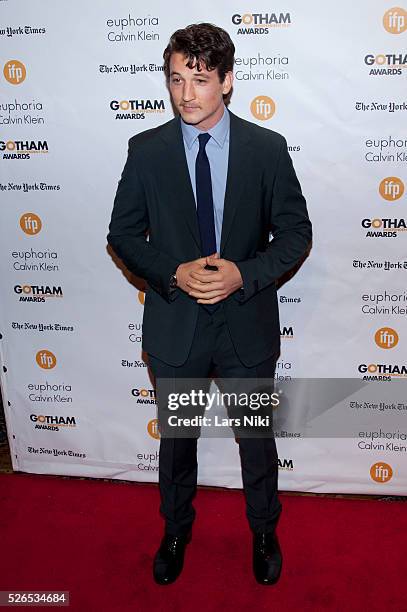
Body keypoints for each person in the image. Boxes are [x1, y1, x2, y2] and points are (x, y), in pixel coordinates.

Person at [107, 22, 312, 586]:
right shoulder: (146, 152)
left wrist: (243, 275)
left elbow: (295, 234)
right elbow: (122, 235)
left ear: (227, 82)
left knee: (256, 442)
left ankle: (265, 531)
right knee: (175, 445)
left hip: (245, 326)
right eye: (176, 80)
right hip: (177, 328)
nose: (185, 94)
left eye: (199, 80)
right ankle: (175, 532)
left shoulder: (265, 150)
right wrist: (171, 272)